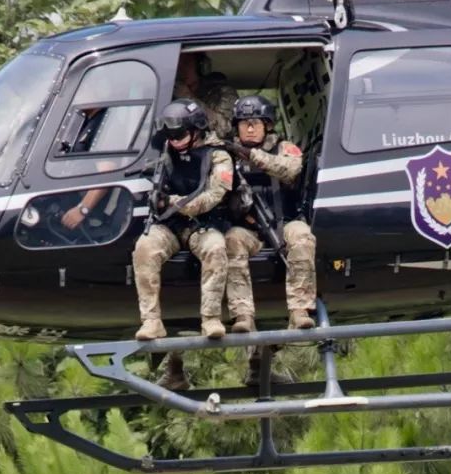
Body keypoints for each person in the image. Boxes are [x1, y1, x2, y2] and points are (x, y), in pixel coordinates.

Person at [131, 99, 236, 343]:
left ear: (196, 130)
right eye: (171, 136)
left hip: (203, 224)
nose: (176, 141)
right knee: (144, 247)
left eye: (180, 135)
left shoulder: (218, 156)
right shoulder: (166, 152)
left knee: (216, 248)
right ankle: (151, 321)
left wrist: (172, 202)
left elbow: (212, 196)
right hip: (170, 225)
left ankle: (210, 319)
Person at [223, 95, 316, 334]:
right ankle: (243, 315)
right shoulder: (226, 154)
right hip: (247, 229)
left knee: (303, 236)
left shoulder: (284, 148)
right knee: (231, 240)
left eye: (256, 122)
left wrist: (251, 155)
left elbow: (290, 170)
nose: (250, 128)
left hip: (282, 222)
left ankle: (299, 310)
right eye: (244, 123)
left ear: (268, 125)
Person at [173, 52, 237, 140]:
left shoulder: (222, 93)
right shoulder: (168, 94)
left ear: (200, 67)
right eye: (177, 63)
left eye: (186, 63)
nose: (180, 68)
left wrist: (189, 99)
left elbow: (225, 130)